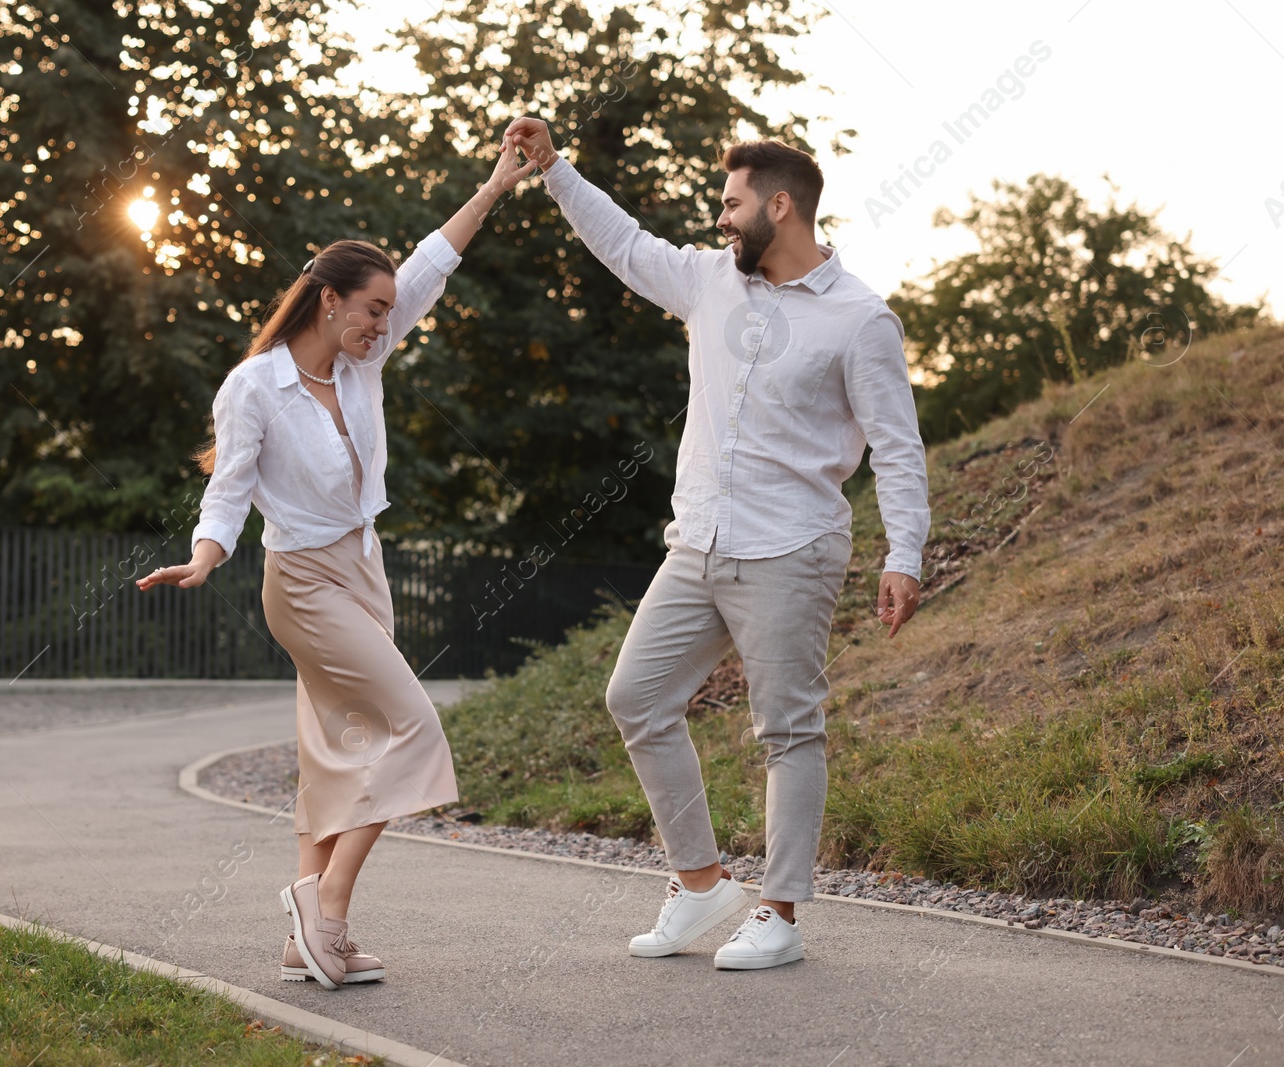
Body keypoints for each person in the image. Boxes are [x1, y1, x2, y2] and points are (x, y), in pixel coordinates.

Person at [502, 117, 930, 970]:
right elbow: (623, 242)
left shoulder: (859, 319)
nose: (720, 220)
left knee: (788, 730)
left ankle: (780, 912)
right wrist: (554, 169)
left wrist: (904, 554)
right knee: (637, 697)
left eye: (732, 205)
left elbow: (898, 443)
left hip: (792, 547)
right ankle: (702, 884)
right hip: (696, 542)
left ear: (781, 206)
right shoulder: (708, 282)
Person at [136, 145, 537, 990]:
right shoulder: (254, 386)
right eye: (371, 309)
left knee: (337, 753)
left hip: (363, 568)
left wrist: (496, 186)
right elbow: (231, 489)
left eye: (390, 313)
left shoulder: (365, 363)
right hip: (304, 582)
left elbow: (433, 261)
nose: (383, 324)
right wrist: (205, 559)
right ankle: (321, 905)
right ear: (328, 299)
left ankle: (308, 942)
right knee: (413, 728)